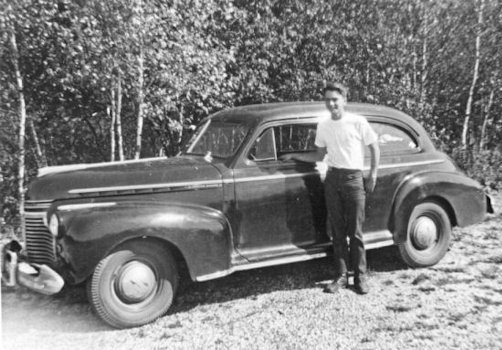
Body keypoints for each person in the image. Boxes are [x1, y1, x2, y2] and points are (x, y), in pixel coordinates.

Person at [281, 82, 380, 294]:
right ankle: (341, 276)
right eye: (327, 100)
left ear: (344, 100)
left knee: (355, 231)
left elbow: (374, 146)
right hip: (333, 179)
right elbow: (318, 155)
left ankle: (360, 277)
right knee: (337, 230)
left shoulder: (357, 121)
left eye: (335, 99)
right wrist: (293, 155)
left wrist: (373, 174)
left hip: (354, 178)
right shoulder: (324, 125)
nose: (331, 104)